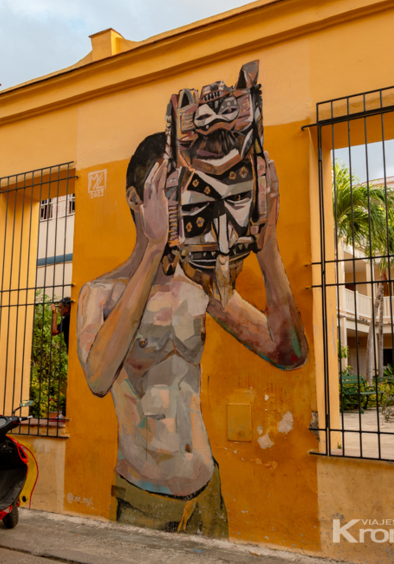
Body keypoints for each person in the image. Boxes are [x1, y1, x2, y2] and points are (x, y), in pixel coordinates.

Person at [77, 62, 307, 539]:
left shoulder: (198, 287)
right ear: (137, 201)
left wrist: (267, 250)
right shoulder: (100, 295)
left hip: (208, 492)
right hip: (143, 500)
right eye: (163, 193)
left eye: (179, 192)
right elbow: (98, 377)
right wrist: (155, 248)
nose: (179, 205)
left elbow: (287, 353)